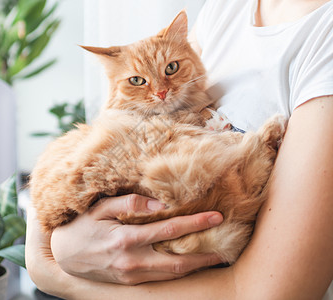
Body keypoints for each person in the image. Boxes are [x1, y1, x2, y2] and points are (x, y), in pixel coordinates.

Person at [26, 0, 333, 299]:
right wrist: (55, 246)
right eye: (138, 81)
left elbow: (264, 292)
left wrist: (52, 272)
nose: (160, 91)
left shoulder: (323, 35)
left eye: (170, 69)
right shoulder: (227, 8)